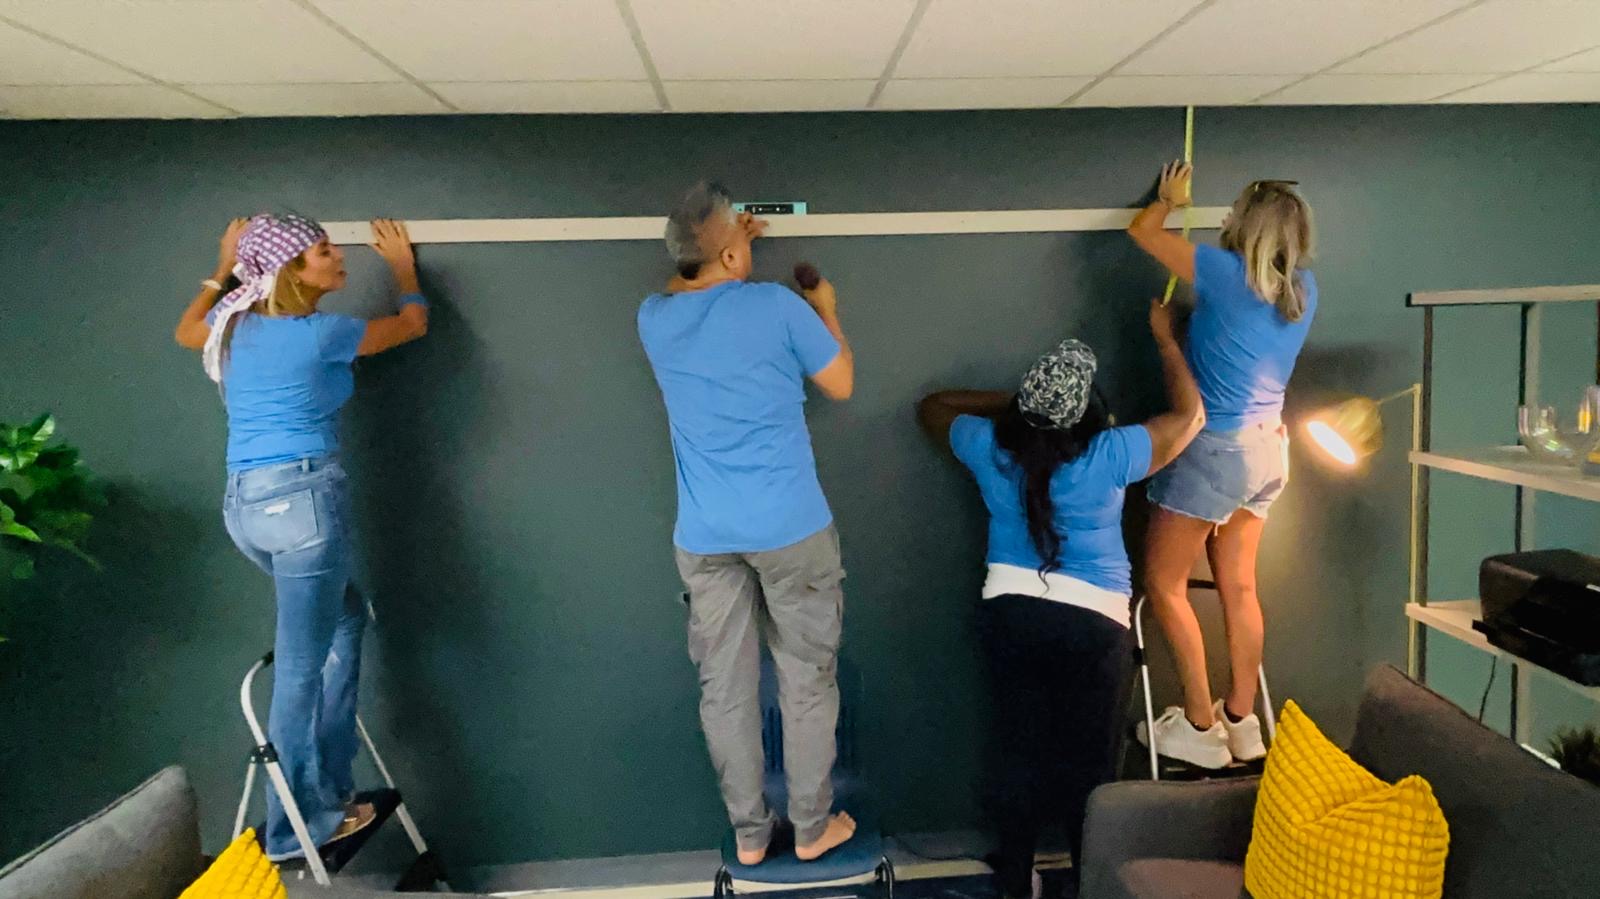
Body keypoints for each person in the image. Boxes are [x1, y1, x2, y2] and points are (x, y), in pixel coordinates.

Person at [918, 301, 1203, 899]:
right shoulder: (1112, 451)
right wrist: (1164, 339)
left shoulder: (989, 444)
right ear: (1086, 413)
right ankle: (1089, 881)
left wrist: (1016, 406)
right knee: (1090, 767)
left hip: (1011, 612)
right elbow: (1191, 416)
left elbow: (932, 406)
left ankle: (1015, 881)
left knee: (1016, 752)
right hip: (1095, 624)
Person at [173, 214, 430, 860]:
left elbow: (185, 331)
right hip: (304, 504)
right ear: (291, 268)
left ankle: (329, 786)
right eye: (322, 250)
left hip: (246, 509)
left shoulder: (233, 326)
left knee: (345, 619)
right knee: (299, 670)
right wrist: (404, 270)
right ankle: (298, 826)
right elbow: (411, 324)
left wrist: (224, 267)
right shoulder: (322, 333)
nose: (338, 256)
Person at [638, 181, 857, 864]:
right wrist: (826, 311)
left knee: (725, 691)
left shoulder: (653, 318)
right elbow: (841, 382)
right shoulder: (777, 306)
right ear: (732, 255)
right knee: (806, 680)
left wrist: (724, 247)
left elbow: (685, 280)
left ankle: (751, 834)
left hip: (706, 538)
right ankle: (812, 827)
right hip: (791, 529)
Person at [1126, 162, 1317, 769]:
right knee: (1239, 586)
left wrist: (1168, 200)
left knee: (1164, 584)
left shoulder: (1222, 272)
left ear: (1246, 225)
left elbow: (1143, 232)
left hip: (1217, 450)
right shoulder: (1303, 290)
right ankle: (1242, 720)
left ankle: (1199, 726)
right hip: (1269, 449)